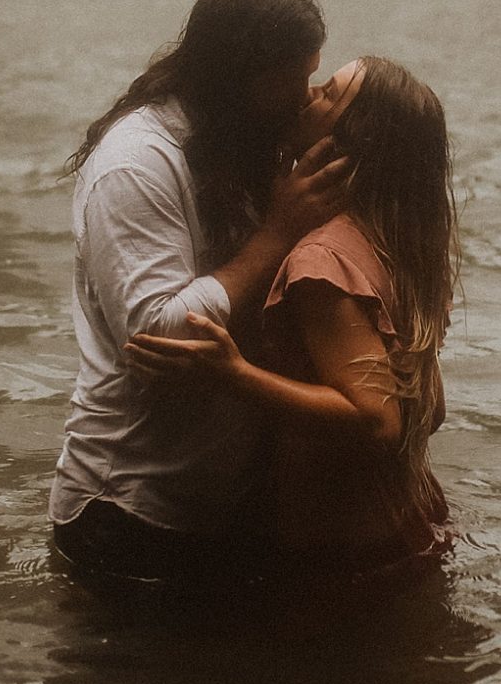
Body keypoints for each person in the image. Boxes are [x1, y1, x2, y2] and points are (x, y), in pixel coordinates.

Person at [49, 0, 365, 585]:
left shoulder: (243, 138)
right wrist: (277, 232)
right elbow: (158, 335)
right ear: (238, 77)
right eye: (291, 82)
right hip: (130, 512)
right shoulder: (136, 165)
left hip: (227, 504)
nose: (304, 98)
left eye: (312, 78)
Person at [127, 56, 457, 584]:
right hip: (407, 520)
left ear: (345, 144)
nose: (306, 96)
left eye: (327, 94)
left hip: (338, 547)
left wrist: (235, 374)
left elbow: (377, 420)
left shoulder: (322, 261)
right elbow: (431, 409)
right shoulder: (401, 247)